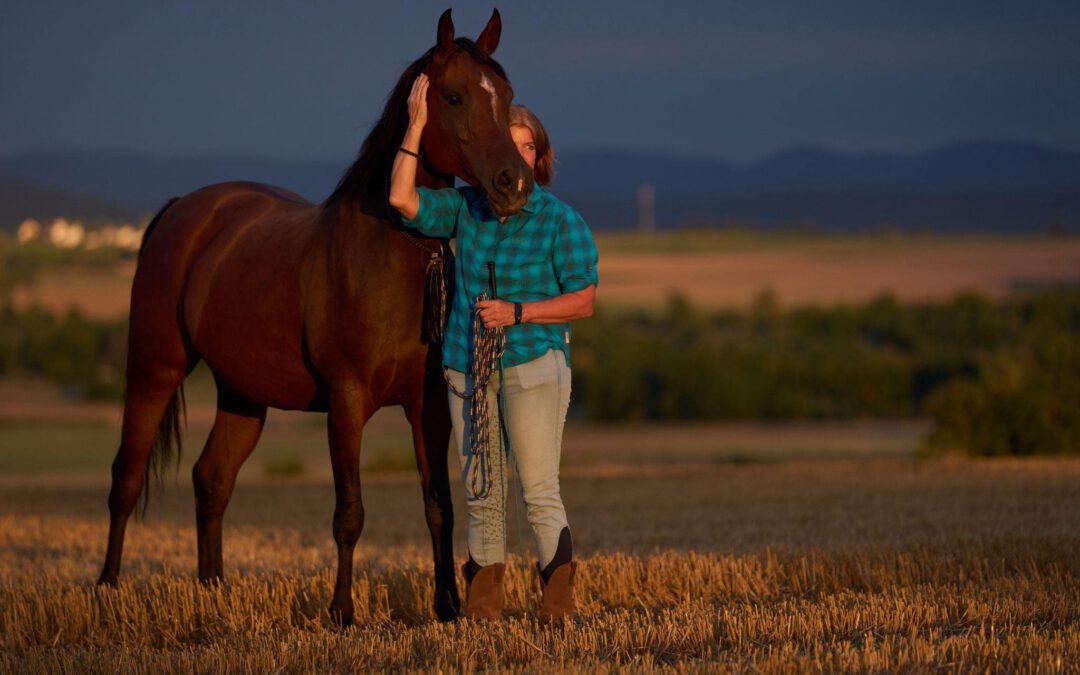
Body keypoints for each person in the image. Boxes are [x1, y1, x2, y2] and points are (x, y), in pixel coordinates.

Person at [389, 73, 598, 623]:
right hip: (467, 369)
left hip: (533, 364)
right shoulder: (466, 208)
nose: (518, 153)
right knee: (482, 497)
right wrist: (415, 126)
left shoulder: (559, 220)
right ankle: (484, 615)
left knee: (537, 491)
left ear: (539, 156)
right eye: (510, 142)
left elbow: (584, 300)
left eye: (528, 144)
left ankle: (556, 612)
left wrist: (518, 312)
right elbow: (400, 198)